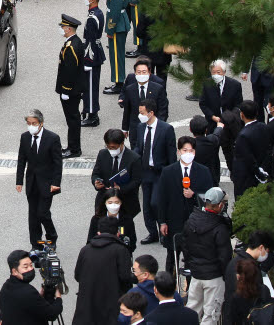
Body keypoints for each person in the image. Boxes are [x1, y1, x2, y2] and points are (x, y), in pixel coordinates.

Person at [156, 136, 212, 273]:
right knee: (172, 255)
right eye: (185, 150)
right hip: (174, 220)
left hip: (195, 222)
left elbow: (210, 196)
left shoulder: (203, 171)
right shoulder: (168, 171)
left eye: (191, 151)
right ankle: (169, 284)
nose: (188, 153)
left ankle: (189, 286)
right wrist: (162, 222)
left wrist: (195, 194)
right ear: (179, 151)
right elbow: (161, 198)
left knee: (191, 257)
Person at [182, 187, 232, 325]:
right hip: (214, 277)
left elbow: (185, 247)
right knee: (211, 315)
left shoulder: (191, 220)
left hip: (196, 275)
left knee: (192, 311)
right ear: (220, 205)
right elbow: (225, 257)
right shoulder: (219, 228)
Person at [16, 109, 63, 249]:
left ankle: (51, 237)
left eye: (34, 123)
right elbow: (21, 160)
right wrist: (19, 181)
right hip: (32, 183)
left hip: (47, 183)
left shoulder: (52, 138)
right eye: (29, 123)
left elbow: (57, 163)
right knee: (33, 215)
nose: (31, 126)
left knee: (42, 212)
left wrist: (56, 183)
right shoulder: (25, 137)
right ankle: (35, 244)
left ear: (41, 123)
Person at [132, 99, 176, 245]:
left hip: (160, 172)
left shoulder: (166, 129)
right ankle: (152, 233)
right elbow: (139, 148)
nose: (140, 115)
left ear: (151, 113)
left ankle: (163, 230)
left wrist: (171, 174)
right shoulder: (140, 127)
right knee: (146, 207)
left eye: (142, 113)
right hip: (145, 172)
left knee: (156, 203)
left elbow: (171, 154)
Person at [73, 216, 132, 325]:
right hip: (111, 307)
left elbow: (77, 276)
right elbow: (125, 277)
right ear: (117, 233)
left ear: (98, 232)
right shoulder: (121, 250)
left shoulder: (85, 250)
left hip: (86, 306)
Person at [91, 129, 141, 247]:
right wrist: (96, 182)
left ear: (122, 144)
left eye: (113, 147)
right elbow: (96, 173)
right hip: (104, 199)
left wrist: (121, 189)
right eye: (108, 147)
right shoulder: (103, 154)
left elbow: (137, 181)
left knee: (122, 231)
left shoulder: (133, 158)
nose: (111, 150)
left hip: (126, 203)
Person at [222, 230, 274, 325]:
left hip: (230, 315)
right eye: (267, 251)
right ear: (261, 247)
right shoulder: (250, 267)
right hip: (245, 317)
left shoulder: (233, 262)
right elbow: (255, 295)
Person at [0, 250, 63, 325]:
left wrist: (39, 298)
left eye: (31, 265)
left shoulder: (6, 287)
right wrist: (58, 297)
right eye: (25, 267)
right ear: (14, 271)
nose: (30, 269)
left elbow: (26, 305)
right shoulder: (28, 292)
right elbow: (52, 314)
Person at [56, 14, 86, 157]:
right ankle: (73, 147)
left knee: (72, 120)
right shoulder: (74, 42)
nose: (61, 29)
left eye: (62, 27)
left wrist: (66, 90)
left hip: (71, 90)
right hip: (74, 88)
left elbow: (70, 70)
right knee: (73, 119)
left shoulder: (71, 46)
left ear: (68, 29)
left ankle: (74, 149)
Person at [226, 259, 274, 325]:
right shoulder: (263, 289)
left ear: (239, 276)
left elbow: (231, 319)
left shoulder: (236, 296)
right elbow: (268, 302)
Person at [232, 101, 271, 198]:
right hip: (262, 170)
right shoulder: (264, 127)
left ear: (242, 114)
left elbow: (248, 159)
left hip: (247, 178)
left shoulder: (243, 136)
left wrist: (259, 173)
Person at [119, 60, 168, 134]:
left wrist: (159, 126)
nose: (141, 74)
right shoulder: (130, 89)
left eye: (144, 72)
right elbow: (127, 111)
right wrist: (125, 129)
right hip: (135, 128)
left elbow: (163, 110)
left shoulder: (158, 89)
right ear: (135, 73)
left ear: (149, 72)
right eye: (139, 72)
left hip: (153, 127)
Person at [104, 0, 131, 95]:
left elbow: (114, 12)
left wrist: (110, 29)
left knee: (116, 55)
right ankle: (119, 81)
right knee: (118, 54)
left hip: (117, 25)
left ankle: (119, 83)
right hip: (121, 22)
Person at [81, 0, 106, 127]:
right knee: (92, 84)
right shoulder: (97, 13)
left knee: (90, 86)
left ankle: (92, 115)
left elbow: (89, 39)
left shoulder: (92, 17)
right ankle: (90, 111)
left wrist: (86, 60)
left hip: (92, 54)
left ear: (92, 0)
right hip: (96, 50)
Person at [198, 60, 244, 127]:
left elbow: (238, 104)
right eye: (213, 72)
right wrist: (212, 117)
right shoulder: (206, 84)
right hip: (212, 122)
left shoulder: (235, 85)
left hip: (231, 122)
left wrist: (229, 117)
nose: (216, 75)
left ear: (224, 72)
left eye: (218, 72)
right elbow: (203, 104)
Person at [189, 116, 221, 186]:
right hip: (210, 179)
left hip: (194, 181)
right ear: (206, 130)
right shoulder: (211, 141)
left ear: (190, 129)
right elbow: (216, 134)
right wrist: (219, 127)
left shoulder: (188, 147)